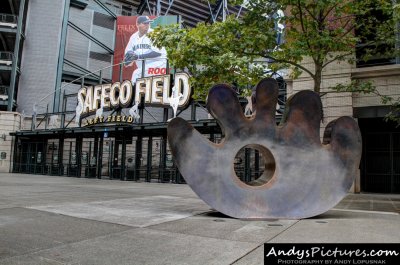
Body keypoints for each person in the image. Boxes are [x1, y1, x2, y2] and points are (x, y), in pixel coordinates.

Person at [123, 16, 167, 83]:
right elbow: (128, 52)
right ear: (137, 24)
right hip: (144, 68)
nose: (147, 25)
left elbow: (157, 53)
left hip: (159, 64)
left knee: (136, 74)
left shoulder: (154, 34)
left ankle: (131, 92)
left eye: (148, 23)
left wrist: (138, 57)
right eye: (145, 23)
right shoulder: (133, 37)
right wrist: (128, 60)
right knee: (142, 79)